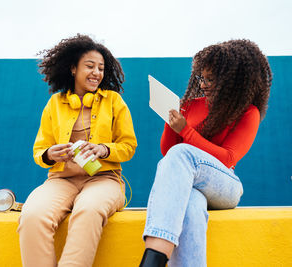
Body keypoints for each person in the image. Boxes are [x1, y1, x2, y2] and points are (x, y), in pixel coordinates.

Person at [139, 39, 272, 267]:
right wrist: (171, 122)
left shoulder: (248, 112)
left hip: (225, 186)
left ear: (232, 80)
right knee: (190, 205)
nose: (204, 85)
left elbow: (228, 157)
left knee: (183, 153)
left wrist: (186, 131)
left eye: (211, 79)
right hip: (191, 185)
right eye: (201, 78)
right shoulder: (190, 105)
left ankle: (153, 259)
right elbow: (168, 153)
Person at [17, 34, 137, 267]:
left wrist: (103, 149)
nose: (96, 73)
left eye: (101, 68)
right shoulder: (55, 103)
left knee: (89, 210)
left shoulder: (113, 101)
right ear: (73, 68)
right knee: (32, 215)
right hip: (61, 180)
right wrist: (51, 154)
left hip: (104, 179)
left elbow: (128, 146)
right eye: (90, 66)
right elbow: (40, 150)